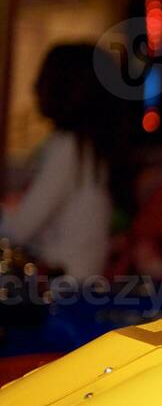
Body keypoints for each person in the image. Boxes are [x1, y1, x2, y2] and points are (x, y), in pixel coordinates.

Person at [0, 44, 133, 279]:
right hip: (76, 277)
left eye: (43, 79)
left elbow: (19, 230)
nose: (34, 88)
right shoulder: (89, 145)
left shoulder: (70, 148)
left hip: (61, 285)